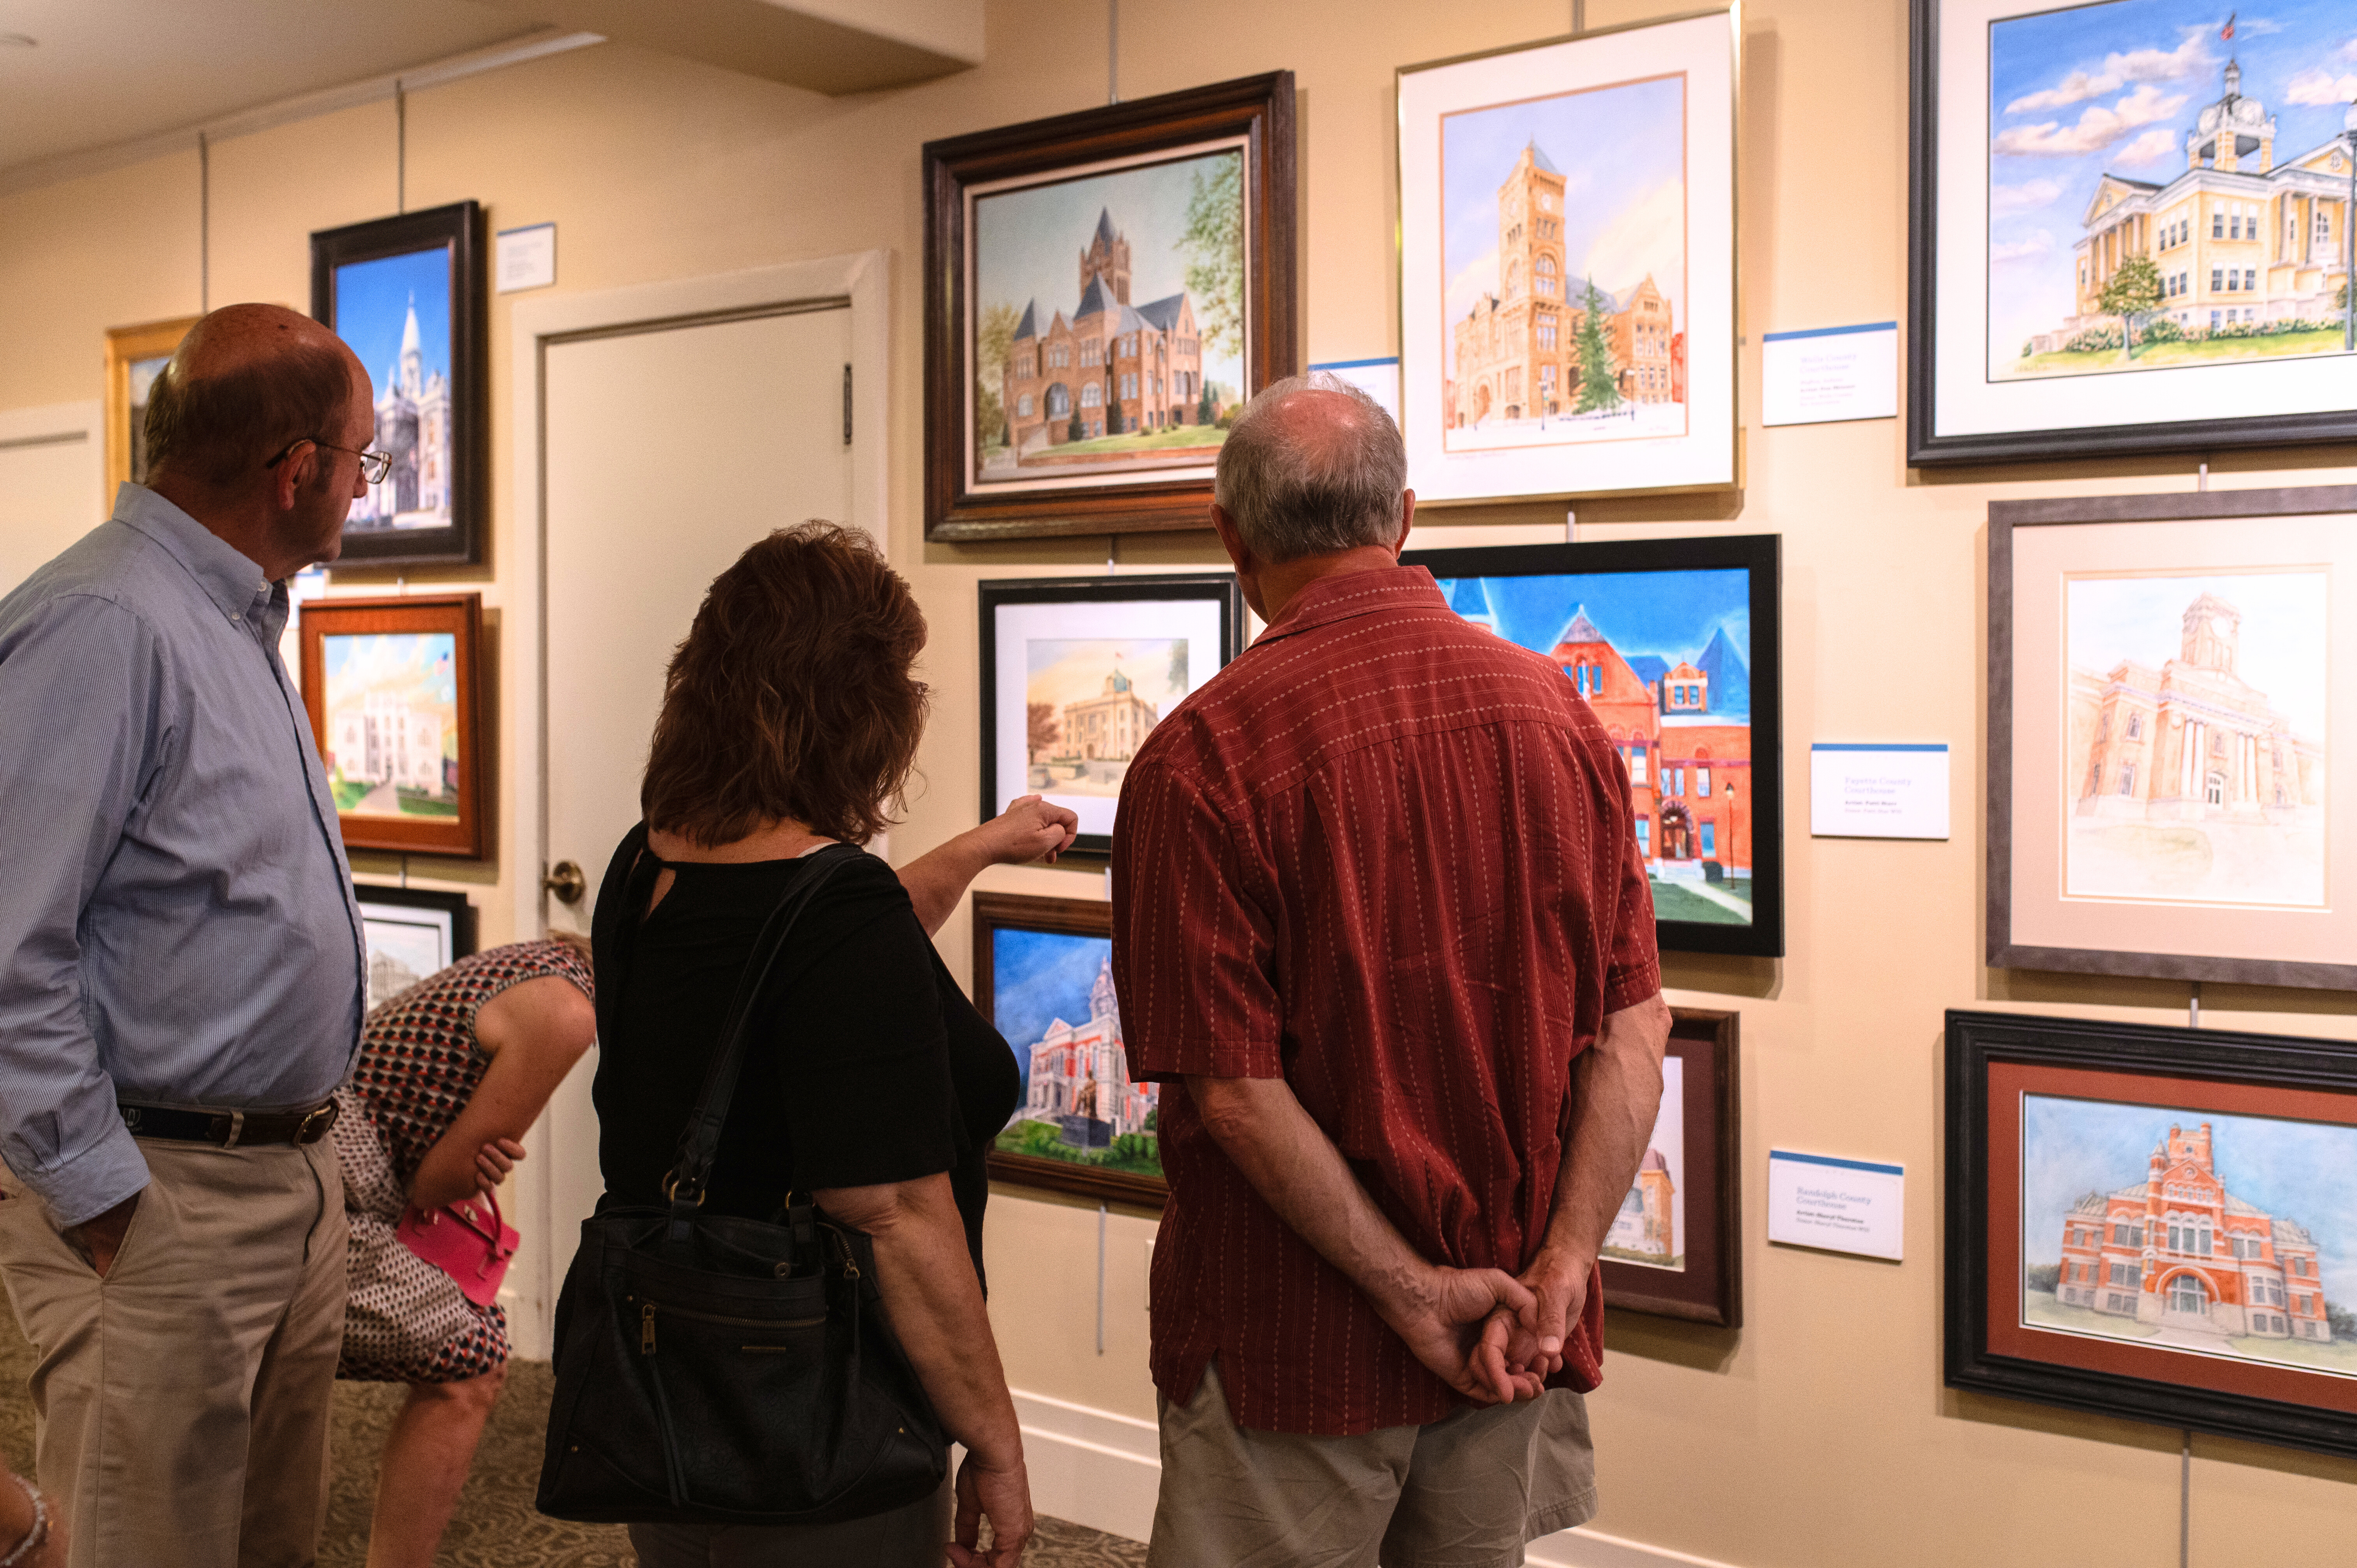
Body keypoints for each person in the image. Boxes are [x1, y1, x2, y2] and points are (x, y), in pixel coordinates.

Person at [1112, 373, 1673, 1567]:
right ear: (1403, 517)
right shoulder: (1564, 722)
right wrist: (1568, 1263)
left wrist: (1414, 1292)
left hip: (1292, 1341)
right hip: (1513, 1326)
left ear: (1232, 539)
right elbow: (1633, 1035)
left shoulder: (1202, 759)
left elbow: (1233, 1093)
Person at [591, 521, 1073, 1568]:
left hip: (674, 1373)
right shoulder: (832, 911)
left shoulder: (650, 866)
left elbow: (819, 955)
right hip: (816, 1402)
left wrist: (983, 846)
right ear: (856, 711)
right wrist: (996, 1442)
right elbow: (897, 1213)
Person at [0, 304, 376, 1566]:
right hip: (161, 1192)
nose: (362, 487)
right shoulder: (106, 623)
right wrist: (103, 1197)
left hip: (286, 1179)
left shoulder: (234, 619)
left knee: (267, 1539)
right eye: (362, 458)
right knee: (139, 1541)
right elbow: (7, 949)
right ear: (297, 468)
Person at [333, 934, 599, 1568]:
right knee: (473, 1361)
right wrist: (476, 1169)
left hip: (333, 1167)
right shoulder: (567, 1011)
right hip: (334, 1192)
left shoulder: (537, 963)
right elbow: (435, 1183)